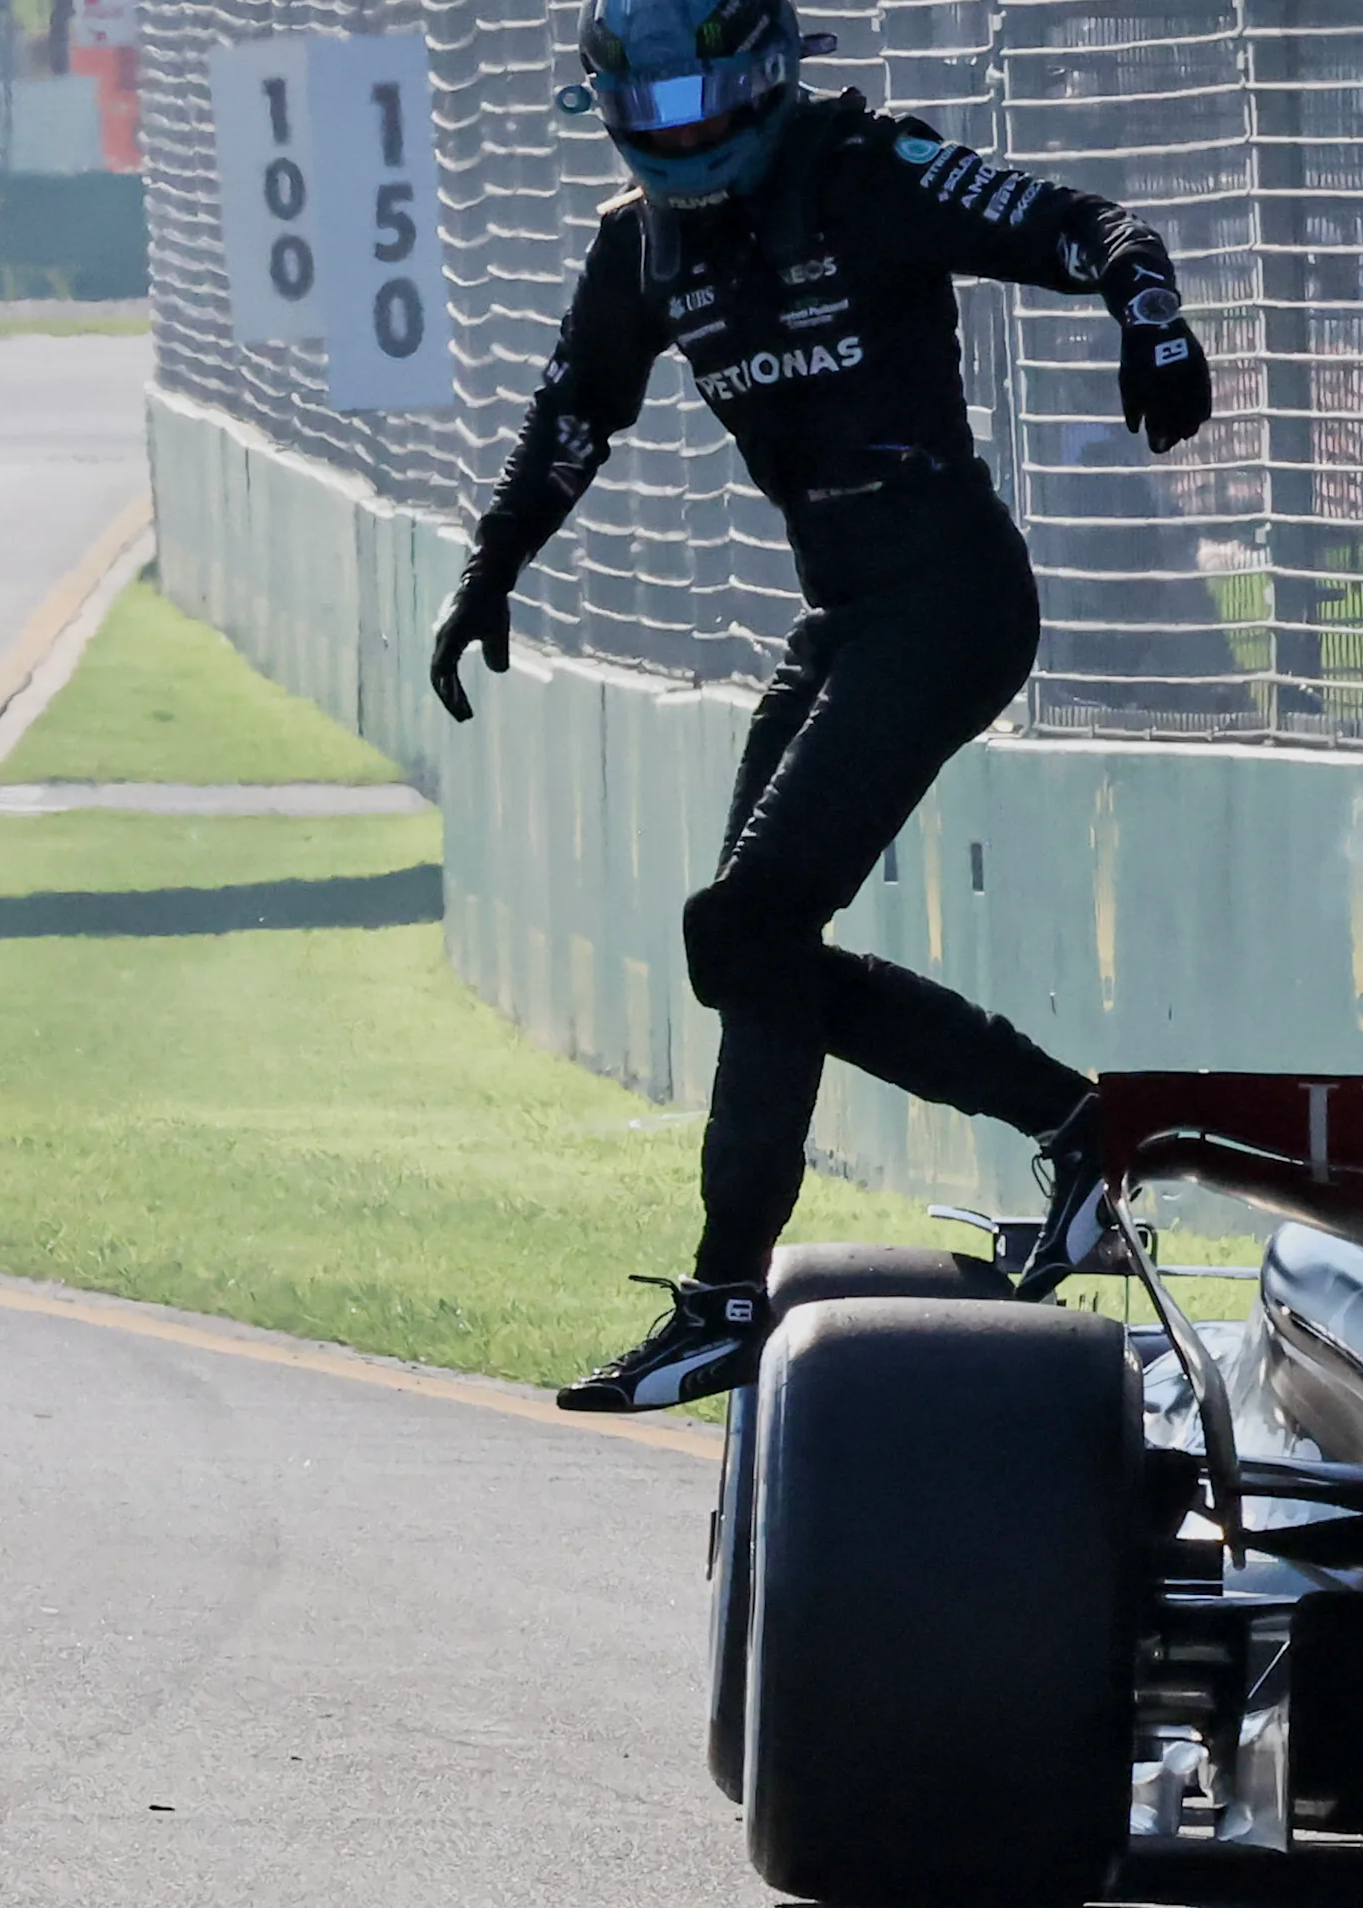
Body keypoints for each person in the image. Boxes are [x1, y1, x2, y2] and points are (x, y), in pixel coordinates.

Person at [425, 0, 1213, 1413]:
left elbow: (1095, 225)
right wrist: (489, 575)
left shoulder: (868, 171)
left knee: (745, 932)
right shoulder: (640, 245)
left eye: (697, 109)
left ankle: (1079, 1122)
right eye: (646, 120)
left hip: (951, 599)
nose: (679, 146)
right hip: (843, 612)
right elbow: (571, 416)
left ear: (768, 77)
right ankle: (731, 1295)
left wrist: (1150, 324)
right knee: (754, 952)